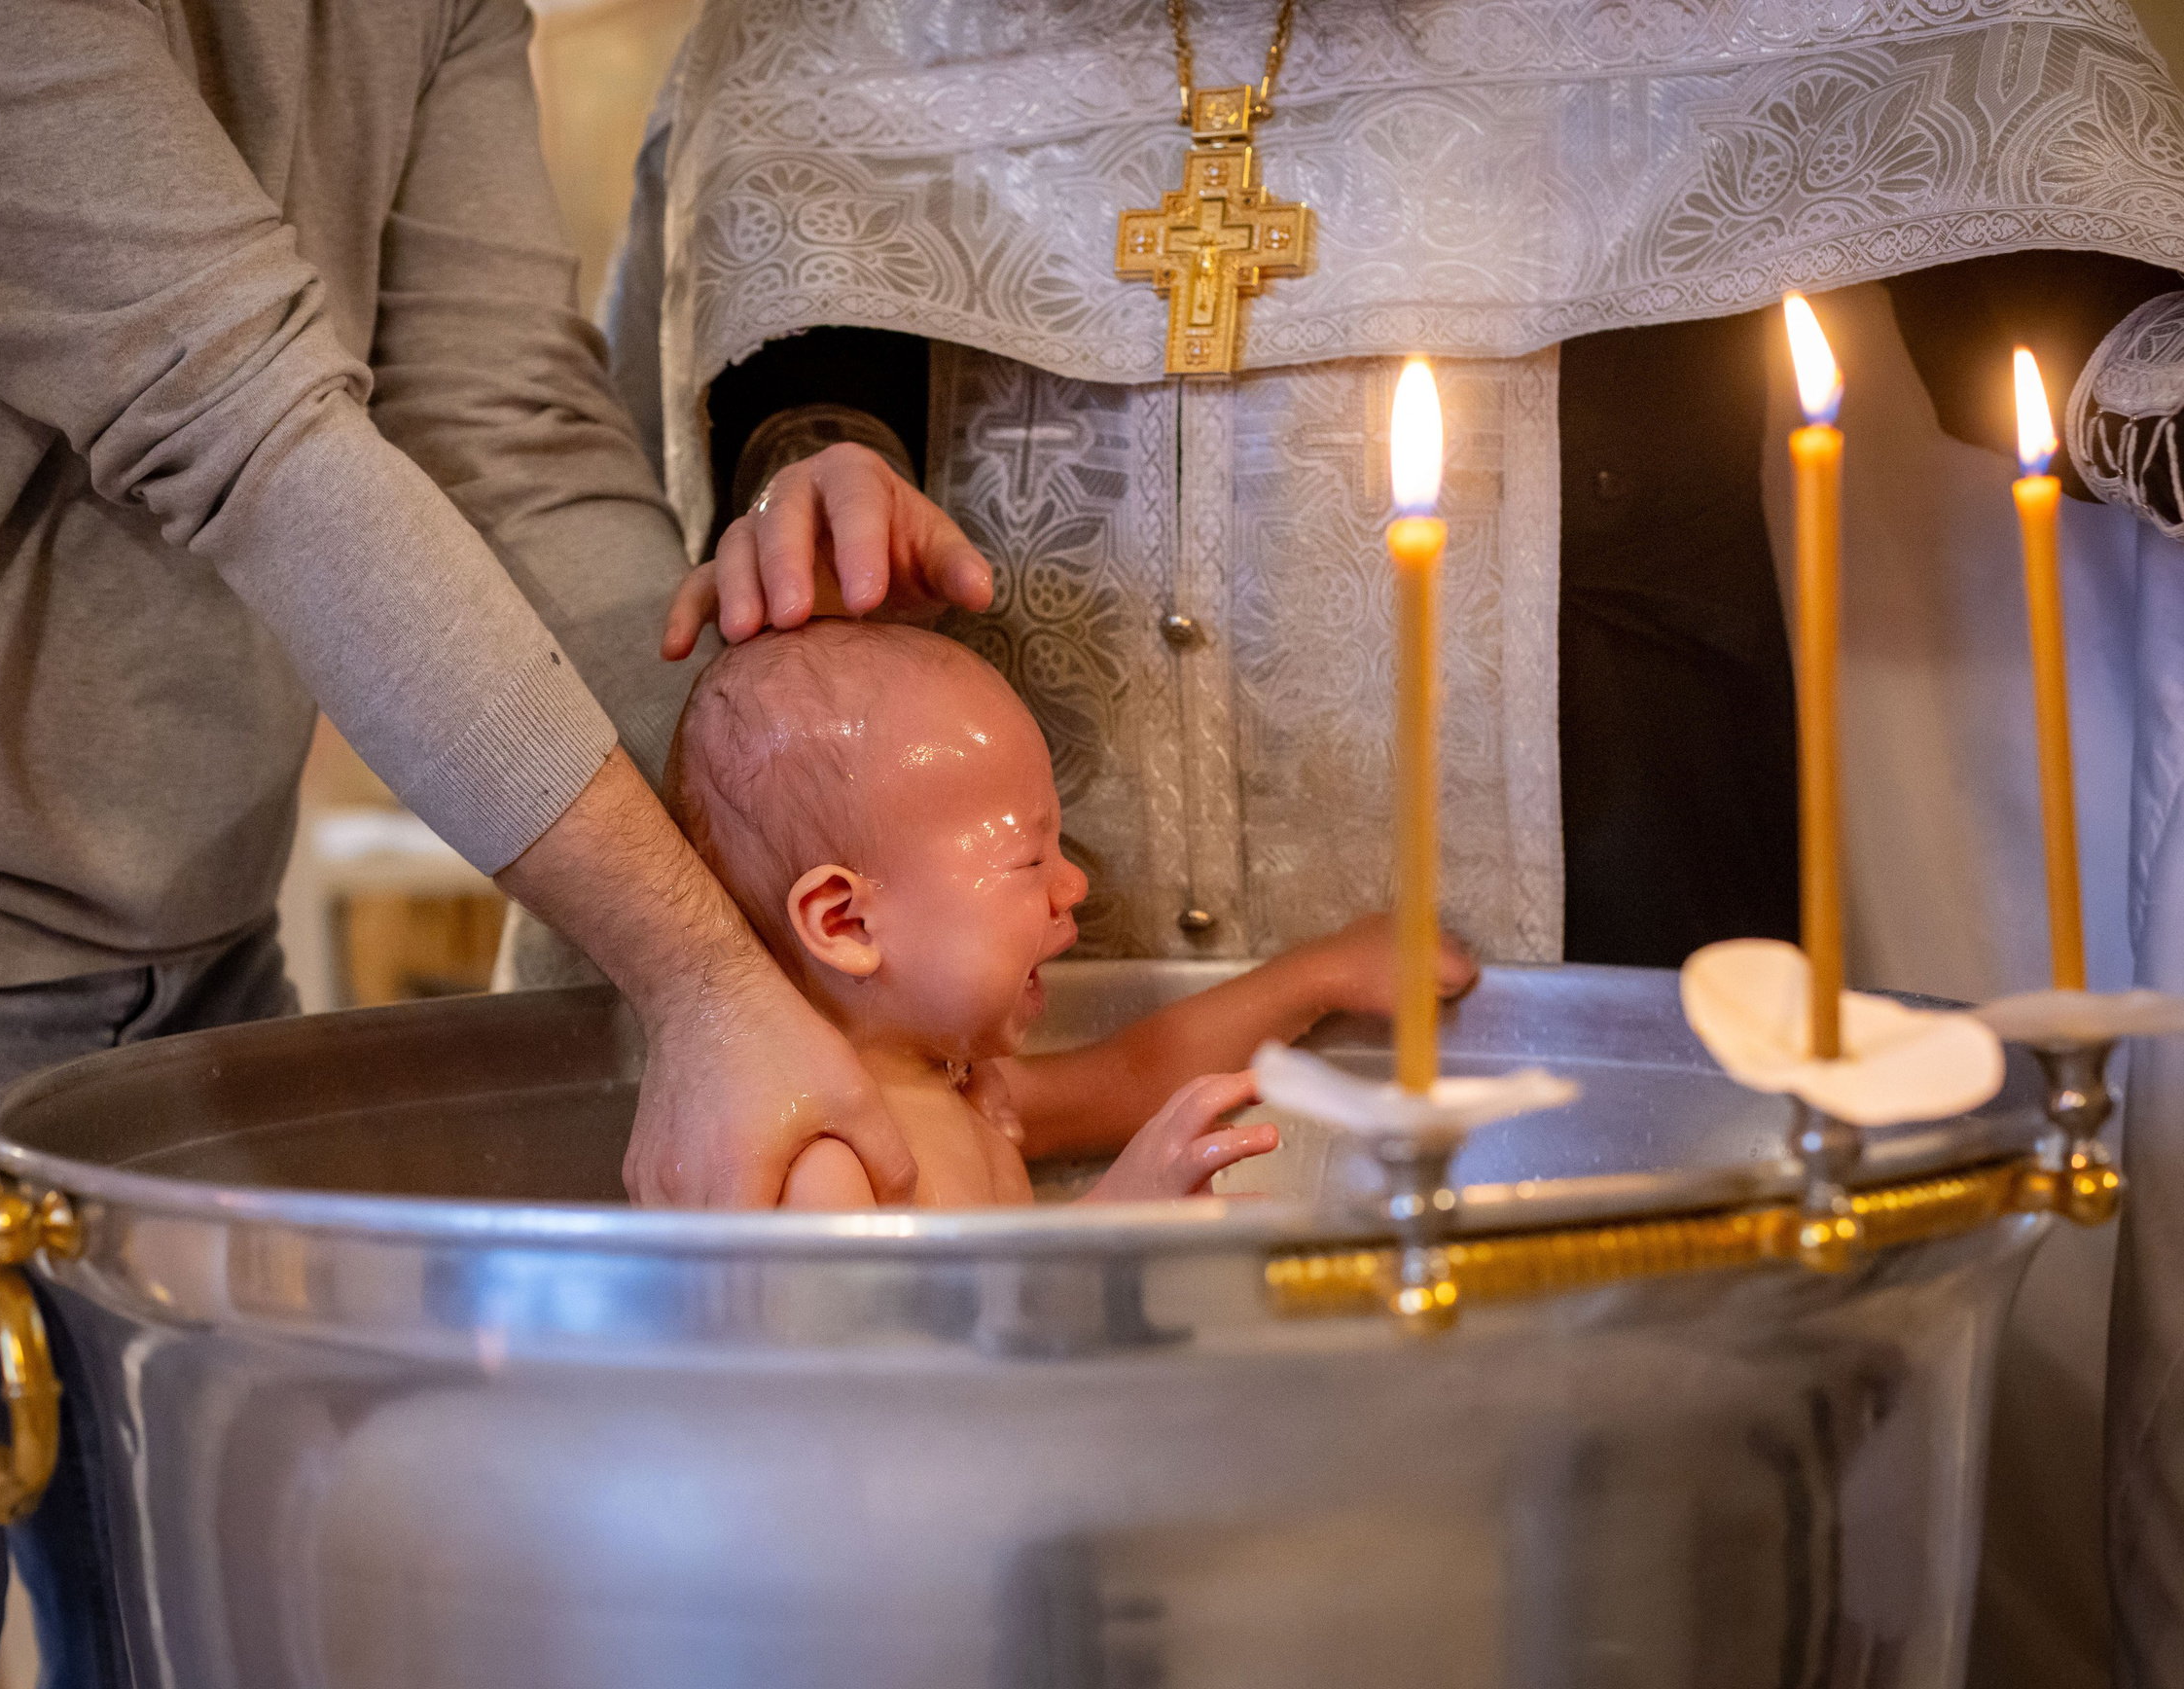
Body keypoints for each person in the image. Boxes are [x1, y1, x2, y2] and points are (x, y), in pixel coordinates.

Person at [600, 6, 2184, 1684]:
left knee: (1608, 1549)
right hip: (1003, 1461)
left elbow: (1978, 112)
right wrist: (817, 448)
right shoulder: (891, 1119)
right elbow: (810, 231)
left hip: (1605, 845)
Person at [0, 1, 926, 1684]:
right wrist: (704, 970)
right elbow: (242, 426)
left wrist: (796, 840)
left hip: (202, 957)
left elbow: (508, 430)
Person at [664, 620, 1479, 1206]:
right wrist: (1118, 1220)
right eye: (1029, 858)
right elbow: (913, 1390)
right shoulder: (825, 1162)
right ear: (847, 923)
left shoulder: (958, 1082)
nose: (1073, 885)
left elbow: (1136, 1074)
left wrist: (1320, 974)